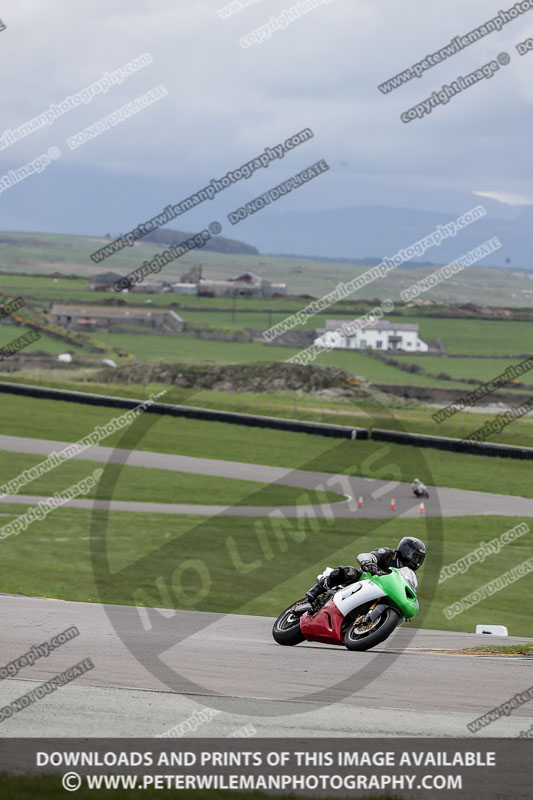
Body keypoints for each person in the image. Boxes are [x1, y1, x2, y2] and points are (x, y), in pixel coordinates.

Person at [305, 536, 426, 604]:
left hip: (382, 592)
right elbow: (365, 555)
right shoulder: (388, 553)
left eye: (419, 558)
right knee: (348, 572)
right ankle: (315, 591)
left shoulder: (409, 573)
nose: (416, 561)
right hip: (365, 580)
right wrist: (367, 563)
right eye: (415, 556)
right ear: (406, 551)